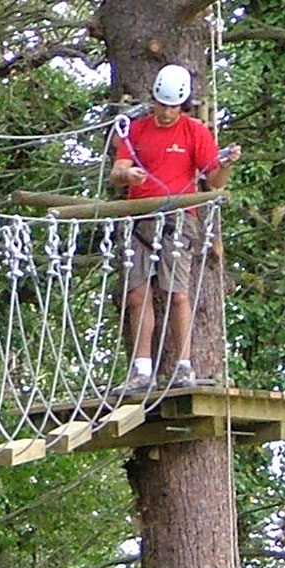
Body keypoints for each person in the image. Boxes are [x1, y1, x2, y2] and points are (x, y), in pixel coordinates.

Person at [107, 63, 241, 392]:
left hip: (179, 221)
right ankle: (141, 369)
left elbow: (213, 181)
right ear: (153, 99)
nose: (166, 113)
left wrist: (224, 165)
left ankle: (184, 366)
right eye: (161, 104)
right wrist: (129, 176)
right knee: (138, 295)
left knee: (177, 294)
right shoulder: (136, 130)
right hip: (141, 219)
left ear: (182, 105)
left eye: (173, 106)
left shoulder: (194, 132)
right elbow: (117, 170)